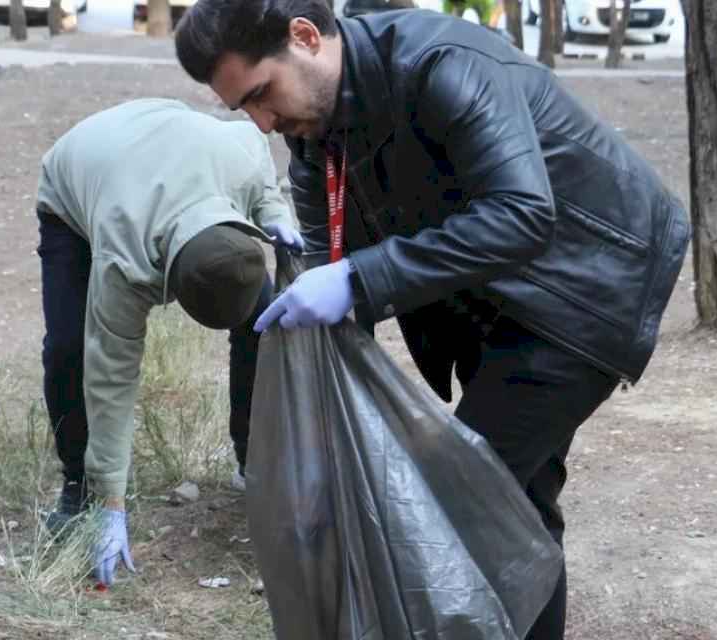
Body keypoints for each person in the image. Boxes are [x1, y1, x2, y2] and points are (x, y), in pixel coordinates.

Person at [174, 3, 690, 638]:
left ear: (305, 38)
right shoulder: (312, 133)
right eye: (243, 109)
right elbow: (326, 266)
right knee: (515, 504)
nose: (262, 122)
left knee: (455, 495)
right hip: (485, 296)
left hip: (586, 288)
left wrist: (359, 280)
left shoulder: (439, 64)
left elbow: (522, 214)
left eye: (261, 94)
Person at [34, 97, 303, 586]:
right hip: (81, 172)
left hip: (174, 139)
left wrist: (273, 210)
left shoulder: (241, 151)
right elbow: (111, 375)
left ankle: (251, 458)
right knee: (70, 347)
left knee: (263, 323)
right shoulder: (125, 256)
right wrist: (112, 502)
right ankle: (79, 489)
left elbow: (262, 169)